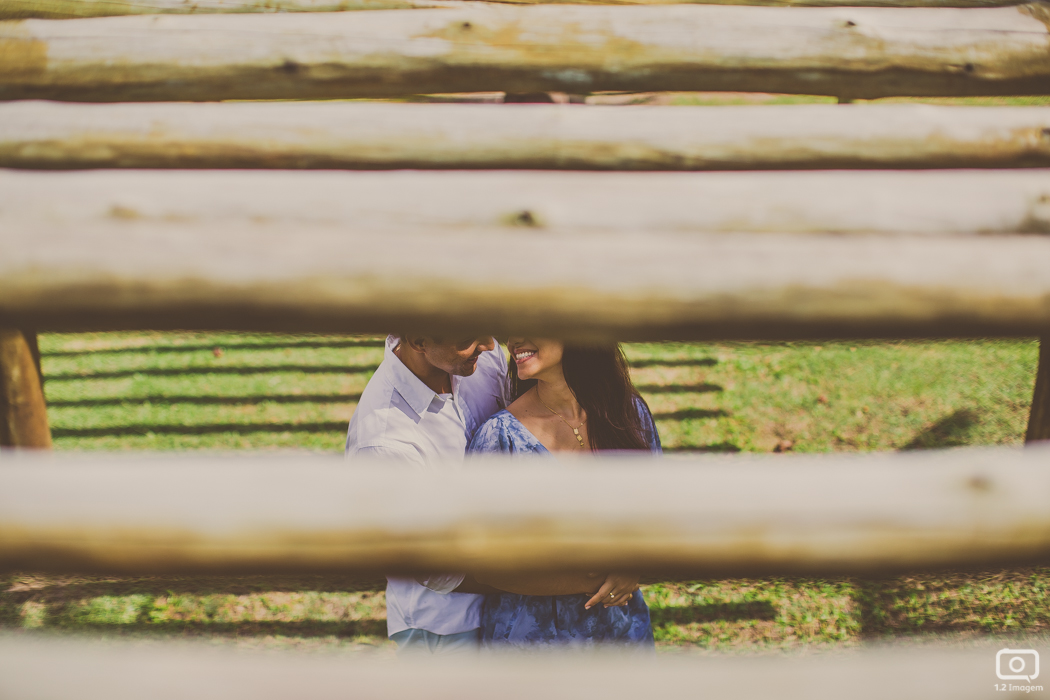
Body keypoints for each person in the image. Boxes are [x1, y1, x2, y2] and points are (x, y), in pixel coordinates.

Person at [466, 337, 661, 649]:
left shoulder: (629, 413)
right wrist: (593, 580)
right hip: (532, 646)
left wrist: (632, 565)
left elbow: (655, 511)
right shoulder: (499, 436)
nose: (515, 338)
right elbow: (482, 564)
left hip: (621, 633)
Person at [345, 333, 508, 654]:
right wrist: (552, 582)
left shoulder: (481, 358)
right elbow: (432, 568)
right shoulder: (382, 441)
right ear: (419, 341)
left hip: (514, 613)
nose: (490, 345)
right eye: (470, 336)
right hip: (447, 629)